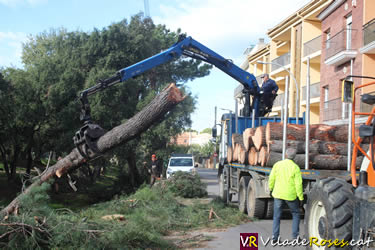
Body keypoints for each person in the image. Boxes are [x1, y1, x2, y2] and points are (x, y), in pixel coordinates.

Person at [269, 148, 303, 242]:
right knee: (296, 214)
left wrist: (270, 189)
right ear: (294, 157)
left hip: (278, 194)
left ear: (285, 155)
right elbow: (298, 184)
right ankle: (295, 237)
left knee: (277, 216)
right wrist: (300, 197)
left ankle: (275, 238)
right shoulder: (295, 167)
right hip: (290, 196)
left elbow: (271, 178)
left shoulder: (277, 165)